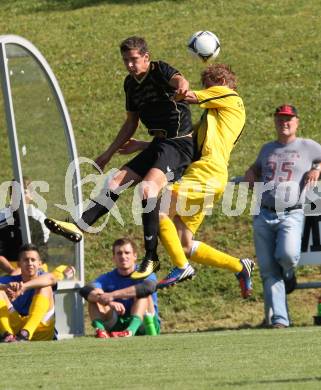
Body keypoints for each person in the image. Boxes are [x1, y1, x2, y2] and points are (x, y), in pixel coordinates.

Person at [45, 36, 194, 279]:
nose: (130, 65)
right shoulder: (130, 84)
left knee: (147, 189)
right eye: (126, 60)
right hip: (158, 144)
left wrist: (182, 87)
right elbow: (131, 122)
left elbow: (179, 79)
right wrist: (108, 153)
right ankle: (79, 224)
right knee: (115, 182)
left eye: (134, 59)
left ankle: (151, 256)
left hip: (178, 144)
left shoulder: (159, 70)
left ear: (146, 57)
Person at [120, 64, 254, 297]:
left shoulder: (230, 97)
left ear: (221, 82)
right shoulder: (213, 117)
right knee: (183, 243)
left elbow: (190, 96)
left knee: (159, 210)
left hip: (207, 172)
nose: (207, 90)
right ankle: (240, 266)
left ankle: (182, 268)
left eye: (208, 86)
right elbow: (185, 143)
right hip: (203, 174)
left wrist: (171, 92)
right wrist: (141, 146)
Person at [244, 104, 321, 327]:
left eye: (288, 119)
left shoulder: (307, 146)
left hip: (292, 213)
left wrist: (317, 168)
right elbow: (257, 168)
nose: (284, 123)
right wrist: (250, 172)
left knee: (287, 256)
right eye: (280, 119)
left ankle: (289, 275)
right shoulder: (267, 148)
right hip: (264, 213)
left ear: (296, 122)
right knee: (268, 270)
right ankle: (280, 319)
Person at [79, 237, 159, 338]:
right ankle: (100, 331)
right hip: (118, 323)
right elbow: (85, 290)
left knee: (142, 294)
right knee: (94, 295)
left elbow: (148, 287)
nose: (123, 256)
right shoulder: (108, 277)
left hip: (145, 323)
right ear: (113, 258)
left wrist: (112, 295)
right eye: (119, 253)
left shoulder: (144, 272)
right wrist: (107, 301)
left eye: (127, 253)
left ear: (135, 256)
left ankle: (130, 331)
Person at [0, 243, 57, 342]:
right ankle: (7, 335)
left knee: (45, 287)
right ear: (19, 264)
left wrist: (24, 287)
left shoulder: (45, 276)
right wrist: (5, 287)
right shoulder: (11, 281)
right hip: (16, 330)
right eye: (26, 260)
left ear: (40, 264)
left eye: (33, 260)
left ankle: (26, 333)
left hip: (41, 329)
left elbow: (51, 279)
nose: (30, 263)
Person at [0, 177, 50, 274]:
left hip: (35, 266)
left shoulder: (39, 217)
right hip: (9, 266)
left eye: (25, 192)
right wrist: (13, 271)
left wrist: (32, 267)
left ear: (31, 196)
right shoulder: (2, 217)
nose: (20, 196)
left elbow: (42, 248)